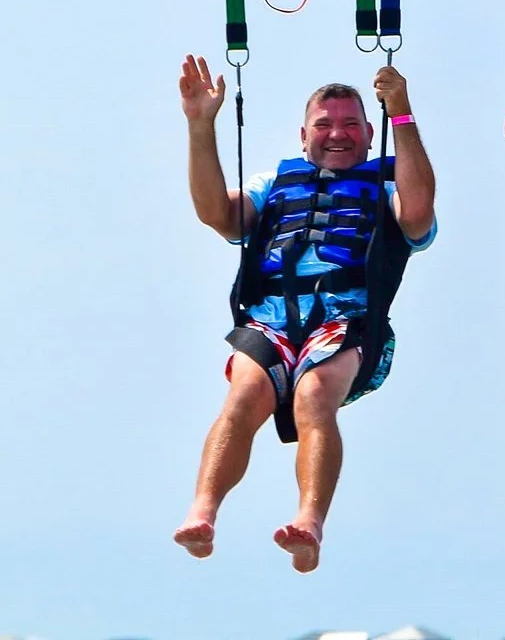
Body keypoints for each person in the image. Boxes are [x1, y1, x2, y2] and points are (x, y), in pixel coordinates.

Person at [173, 53, 437, 572]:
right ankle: (203, 513)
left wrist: (401, 112)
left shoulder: (388, 187)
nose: (337, 134)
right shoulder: (275, 184)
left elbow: (419, 213)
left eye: (351, 126)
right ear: (303, 135)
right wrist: (200, 125)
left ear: (368, 134)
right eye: (324, 124)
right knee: (245, 392)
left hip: (349, 322)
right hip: (272, 318)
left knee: (314, 395)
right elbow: (215, 213)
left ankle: (309, 524)